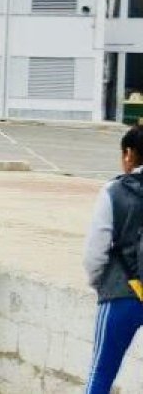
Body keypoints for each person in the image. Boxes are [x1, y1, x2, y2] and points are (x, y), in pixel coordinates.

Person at [82, 126, 143, 394]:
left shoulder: (114, 191)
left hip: (122, 293)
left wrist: (100, 282)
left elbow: (95, 253)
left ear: (129, 154)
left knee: (102, 373)